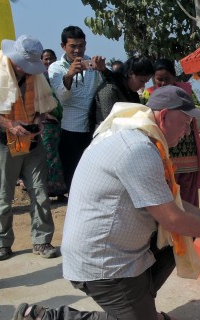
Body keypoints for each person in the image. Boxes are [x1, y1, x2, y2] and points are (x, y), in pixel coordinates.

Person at [10, 86, 200, 320]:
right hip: (102, 263)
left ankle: (142, 309)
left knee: (186, 233)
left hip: (116, 248)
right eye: (186, 123)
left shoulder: (135, 134)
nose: (189, 132)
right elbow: (172, 218)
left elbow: (169, 201)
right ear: (163, 117)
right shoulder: (139, 149)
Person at [0, 35, 59, 261]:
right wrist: (9, 124)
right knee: (2, 194)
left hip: (32, 137)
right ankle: (2, 243)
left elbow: (41, 103)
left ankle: (42, 240)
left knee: (40, 190)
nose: (26, 70)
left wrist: (40, 120)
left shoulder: (35, 73)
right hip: (0, 137)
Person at [48, 26, 111, 192]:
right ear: (63, 46)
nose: (77, 50)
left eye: (81, 46)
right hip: (71, 130)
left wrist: (104, 70)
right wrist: (69, 75)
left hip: (94, 130)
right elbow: (62, 98)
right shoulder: (56, 68)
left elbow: (108, 90)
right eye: (73, 46)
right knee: (73, 179)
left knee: (97, 177)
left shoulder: (92, 63)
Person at [144, 59, 200, 206]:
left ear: (174, 77)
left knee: (187, 193)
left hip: (187, 153)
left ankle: (192, 223)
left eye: (166, 79)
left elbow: (198, 106)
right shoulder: (148, 94)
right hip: (165, 150)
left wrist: (184, 117)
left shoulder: (185, 91)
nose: (162, 83)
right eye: (159, 80)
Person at [88, 55, 153, 130]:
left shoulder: (132, 94)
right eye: (142, 81)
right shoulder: (109, 90)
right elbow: (110, 123)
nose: (143, 85)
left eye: (146, 82)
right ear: (130, 73)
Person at [40, 50, 67, 202]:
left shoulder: (48, 78)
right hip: (49, 124)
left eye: (51, 59)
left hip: (49, 125)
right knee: (51, 157)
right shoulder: (45, 77)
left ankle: (55, 191)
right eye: (45, 59)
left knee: (50, 158)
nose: (48, 61)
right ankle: (56, 191)